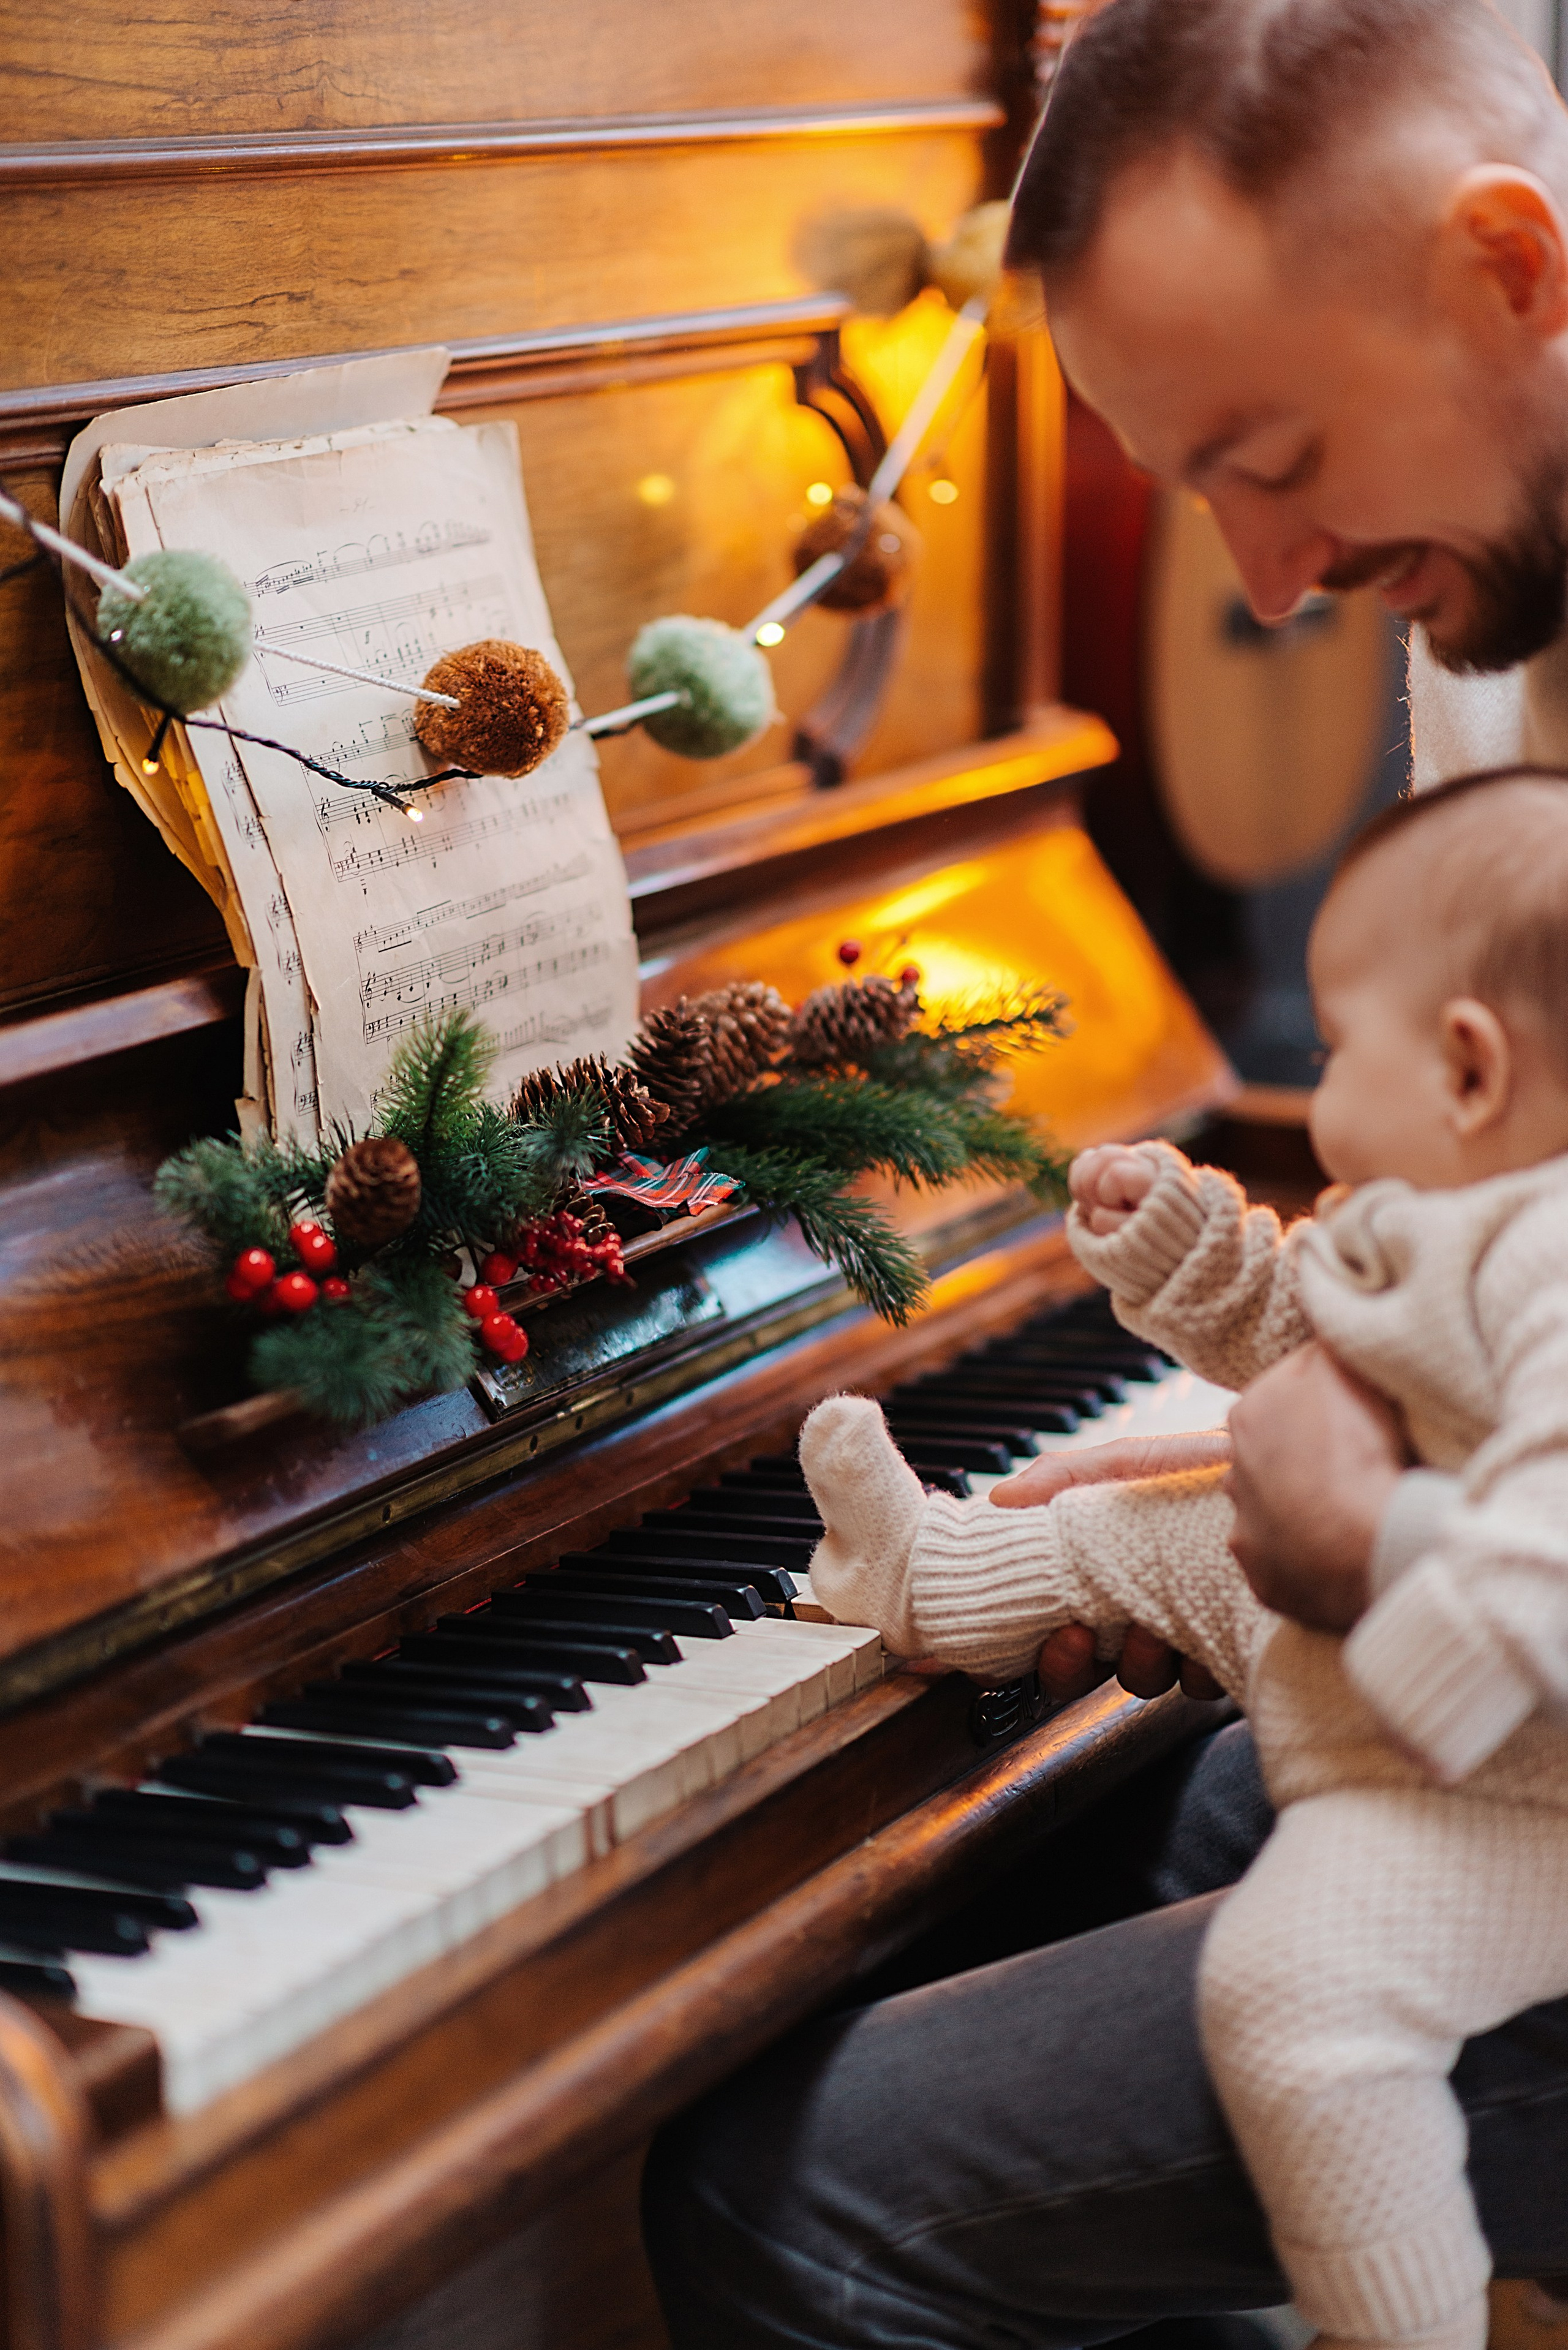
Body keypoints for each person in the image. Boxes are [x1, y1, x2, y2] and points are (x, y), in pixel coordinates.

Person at [641, 4, 1568, 2340]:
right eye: (1196, 489)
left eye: (1275, 457)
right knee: (1087, 1849)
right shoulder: (1499, 572)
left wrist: (1360, 1534)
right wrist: (1253, 1431)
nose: (1267, 581)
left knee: (801, 2199)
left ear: (1512, 268)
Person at [799, 769, 1568, 2350]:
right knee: (1155, 1528)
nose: (1321, 1087)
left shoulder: (1550, 1267)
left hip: (1503, 1779)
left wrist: (1355, 1547)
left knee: (1295, 1992)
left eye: (1337, 1053)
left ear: (1470, 1068)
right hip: (1408, 1681)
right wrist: (1187, 1247)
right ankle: (934, 1574)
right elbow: (1312, 1324)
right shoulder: (1449, 1217)